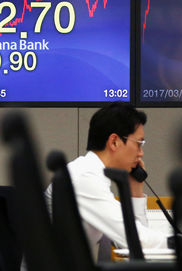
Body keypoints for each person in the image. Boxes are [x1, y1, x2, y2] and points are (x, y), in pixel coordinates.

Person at [44, 102, 169, 259]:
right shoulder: (84, 178)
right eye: (139, 143)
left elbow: (134, 245)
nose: (141, 153)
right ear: (114, 142)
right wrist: (181, 243)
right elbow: (136, 240)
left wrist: (136, 191)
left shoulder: (92, 175)